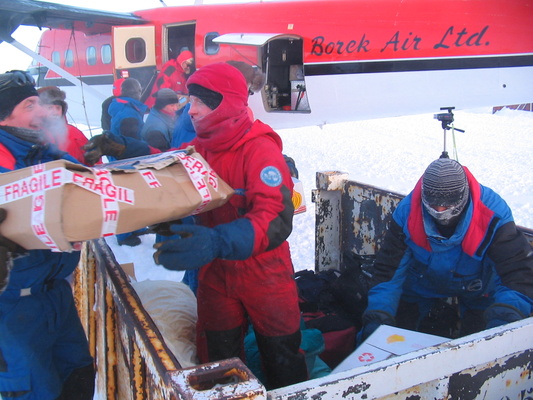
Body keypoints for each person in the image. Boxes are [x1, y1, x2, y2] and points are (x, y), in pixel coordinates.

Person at [83, 62, 308, 389]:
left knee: (281, 354)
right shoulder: (202, 146)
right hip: (216, 271)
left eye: (202, 101)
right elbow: (169, 166)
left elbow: (275, 216)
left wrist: (217, 240)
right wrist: (124, 148)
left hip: (263, 271)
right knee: (218, 358)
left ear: (227, 102)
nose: (192, 109)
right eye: (190, 99)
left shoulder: (259, 149)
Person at [359, 156, 533, 342]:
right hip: (421, 286)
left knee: (480, 347)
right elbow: (389, 272)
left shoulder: (493, 214)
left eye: (448, 206)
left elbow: (515, 270)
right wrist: (378, 315)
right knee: (402, 341)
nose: (440, 211)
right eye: (433, 205)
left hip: (479, 289)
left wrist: (507, 315)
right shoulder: (407, 213)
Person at [0, 70, 94, 399]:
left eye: (39, 102)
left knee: (79, 377)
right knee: (34, 391)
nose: (43, 111)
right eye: (29, 105)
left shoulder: (44, 154)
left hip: (56, 295)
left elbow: (97, 190)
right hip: (11, 309)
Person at [38, 85, 90, 164]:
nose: (55, 112)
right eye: (50, 108)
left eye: (58, 108)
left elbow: (93, 161)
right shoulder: (33, 135)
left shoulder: (74, 133)